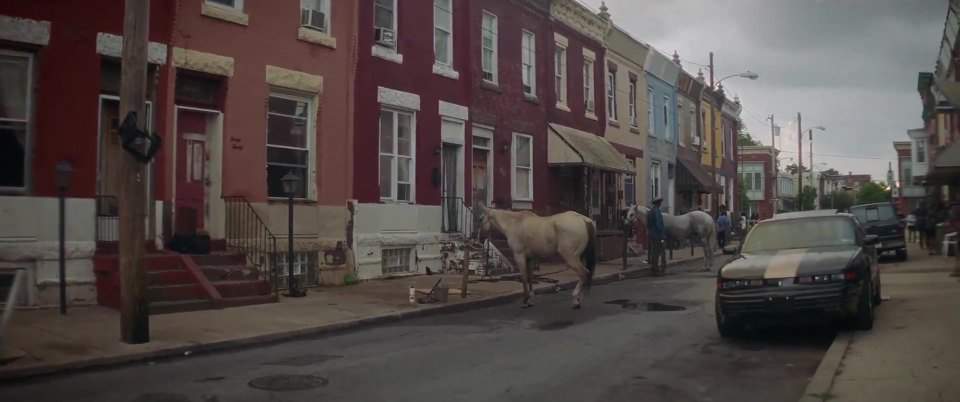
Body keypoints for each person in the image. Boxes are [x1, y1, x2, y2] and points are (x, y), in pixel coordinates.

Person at [646, 198, 667, 275]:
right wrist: (662, 235)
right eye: (660, 202)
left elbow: (648, 225)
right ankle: (660, 269)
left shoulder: (650, 212)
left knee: (654, 252)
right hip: (658, 236)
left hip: (652, 235)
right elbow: (659, 224)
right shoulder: (657, 212)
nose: (660, 204)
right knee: (661, 252)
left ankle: (654, 269)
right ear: (658, 203)